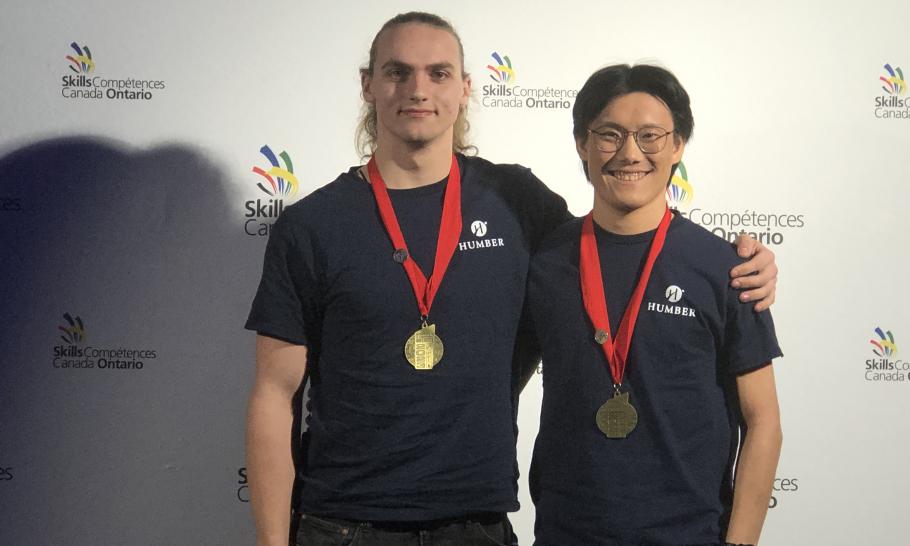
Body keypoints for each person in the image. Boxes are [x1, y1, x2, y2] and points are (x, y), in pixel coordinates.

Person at [244, 12, 778, 546]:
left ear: (465, 89)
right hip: (344, 523)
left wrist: (744, 260)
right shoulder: (312, 226)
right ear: (368, 85)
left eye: (438, 73)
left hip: (478, 523)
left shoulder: (517, 203)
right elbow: (274, 394)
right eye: (397, 72)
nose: (418, 90)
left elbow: (620, 246)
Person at [526, 64, 783, 546]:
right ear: (582, 143)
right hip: (565, 534)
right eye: (609, 135)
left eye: (650, 136)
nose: (629, 154)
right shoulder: (544, 262)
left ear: (678, 146)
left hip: (690, 534)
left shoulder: (727, 269)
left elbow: (763, 419)